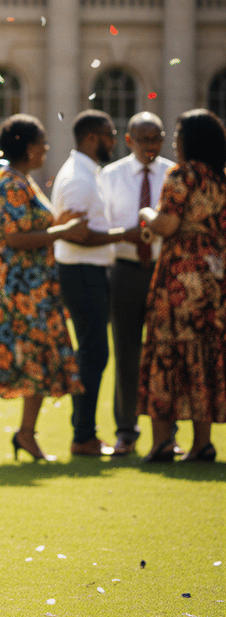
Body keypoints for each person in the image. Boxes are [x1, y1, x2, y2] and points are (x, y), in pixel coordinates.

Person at [0, 116, 86, 462]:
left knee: (39, 355)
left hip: (35, 284)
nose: (46, 149)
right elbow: (13, 238)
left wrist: (59, 223)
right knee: (4, 355)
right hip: (13, 285)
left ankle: (26, 434)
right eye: (42, 143)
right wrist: (64, 231)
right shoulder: (9, 182)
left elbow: (31, 225)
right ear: (28, 147)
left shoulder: (23, 180)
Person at [137, 109, 226, 464]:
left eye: (178, 136)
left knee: (167, 349)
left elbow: (168, 225)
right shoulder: (220, 179)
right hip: (215, 276)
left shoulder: (181, 175)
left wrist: (146, 214)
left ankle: (161, 443)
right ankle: (202, 442)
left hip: (180, 274)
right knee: (205, 351)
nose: (174, 142)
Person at [51, 110, 141, 456]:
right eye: (109, 133)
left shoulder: (89, 173)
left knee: (92, 353)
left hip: (89, 271)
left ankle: (84, 432)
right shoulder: (78, 177)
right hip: (81, 271)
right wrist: (126, 235)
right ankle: (83, 435)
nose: (114, 140)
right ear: (91, 137)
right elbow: (77, 236)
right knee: (93, 353)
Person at [99, 112, 174, 456]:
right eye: (144, 139)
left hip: (164, 272)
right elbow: (104, 226)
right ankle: (126, 431)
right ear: (129, 141)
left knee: (165, 353)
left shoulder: (173, 173)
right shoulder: (111, 176)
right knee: (127, 353)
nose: (151, 146)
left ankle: (166, 434)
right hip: (126, 270)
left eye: (157, 138)